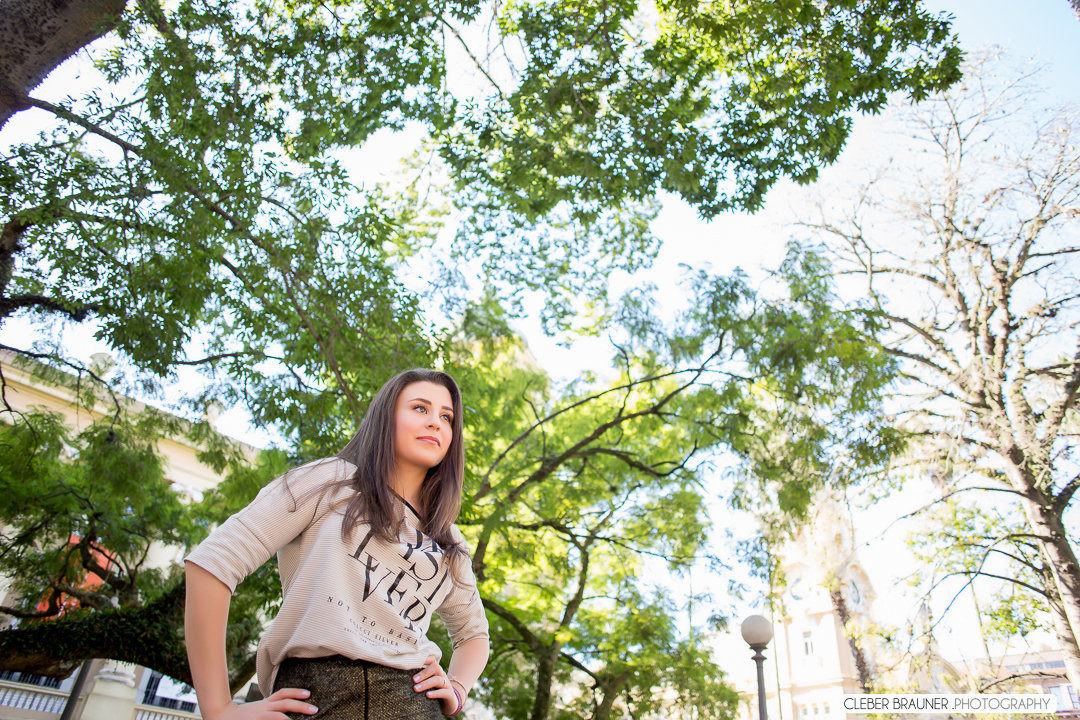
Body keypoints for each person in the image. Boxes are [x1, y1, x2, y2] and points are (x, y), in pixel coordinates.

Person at [184, 369, 490, 720]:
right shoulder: (328, 481)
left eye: (447, 417)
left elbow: (474, 635)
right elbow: (213, 562)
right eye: (420, 408)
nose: (435, 422)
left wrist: (458, 688)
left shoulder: (449, 540)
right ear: (385, 416)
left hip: (413, 703)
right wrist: (218, 709)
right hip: (314, 698)